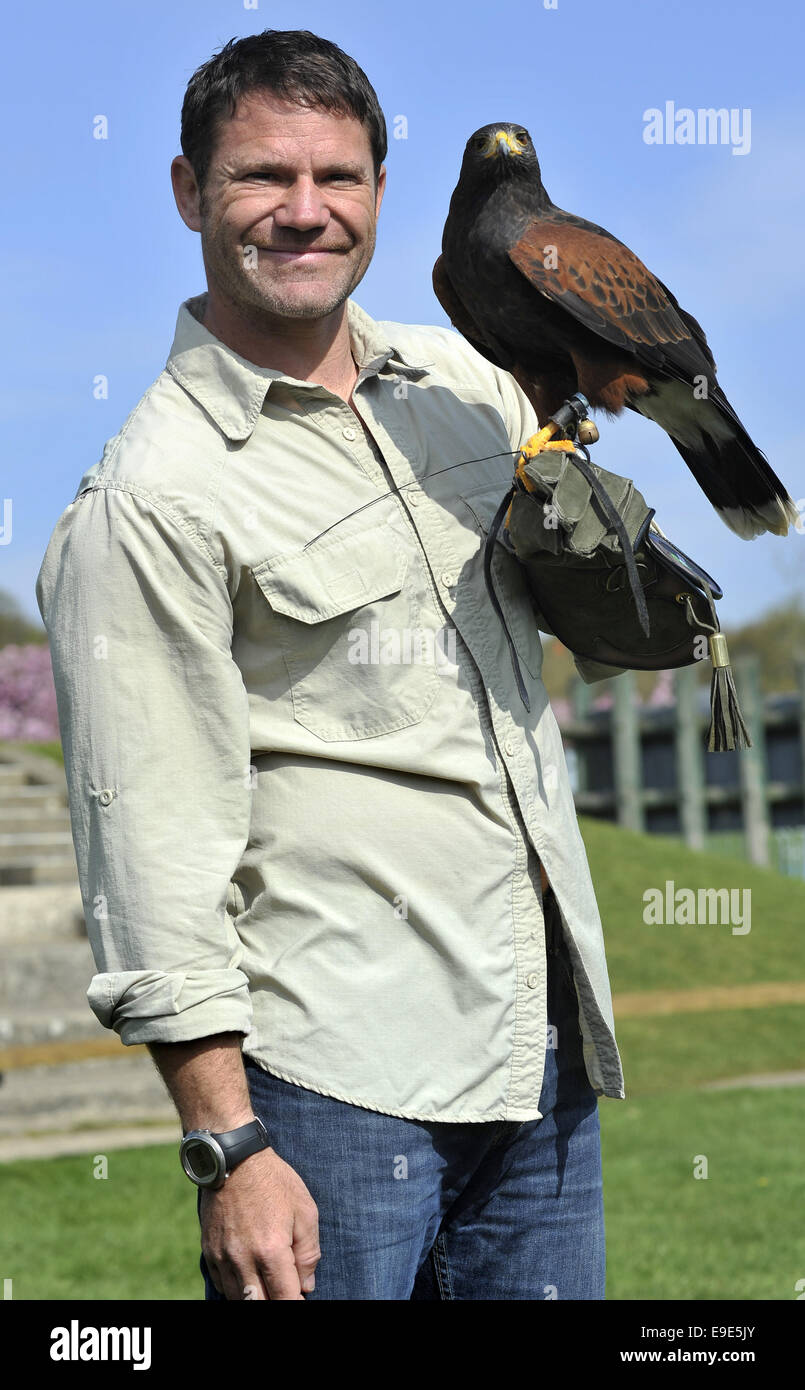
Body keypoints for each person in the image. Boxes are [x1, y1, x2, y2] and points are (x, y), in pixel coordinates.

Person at [35, 28, 626, 1301]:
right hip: (331, 1089)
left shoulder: (469, 385)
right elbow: (147, 846)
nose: (305, 214)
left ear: (379, 192)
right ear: (190, 192)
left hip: (538, 1056)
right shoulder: (152, 497)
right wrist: (229, 1143)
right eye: (261, 179)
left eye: (339, 179)